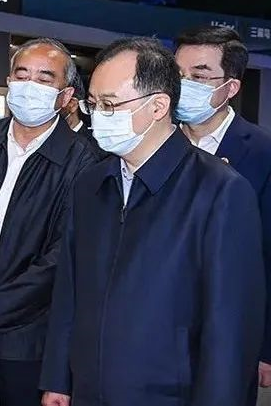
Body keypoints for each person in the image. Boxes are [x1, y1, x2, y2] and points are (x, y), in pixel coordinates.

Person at [40, 37, 265, 406]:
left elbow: (230, 333)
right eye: (93, 104)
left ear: (159, 106)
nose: (98, 116)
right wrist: (58, 380)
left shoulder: (220, 191)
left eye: (110, 105)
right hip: (90, 390)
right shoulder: (90, 184)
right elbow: (70, 291)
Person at [0, 38, 100, 406]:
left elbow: (63, 255)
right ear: (9, 82)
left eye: (45, 79)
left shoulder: (86, 159)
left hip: (28, 336)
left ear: (66, 96)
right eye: (22, 74)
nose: (30, 86)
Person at [175, 25, 271, 392]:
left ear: (230, 88)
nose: (184, 84)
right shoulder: (153, 140)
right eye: (178, 74)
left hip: (229, 335)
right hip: (156, 332)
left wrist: (266, 347)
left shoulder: (261, 152)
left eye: (199, 76)